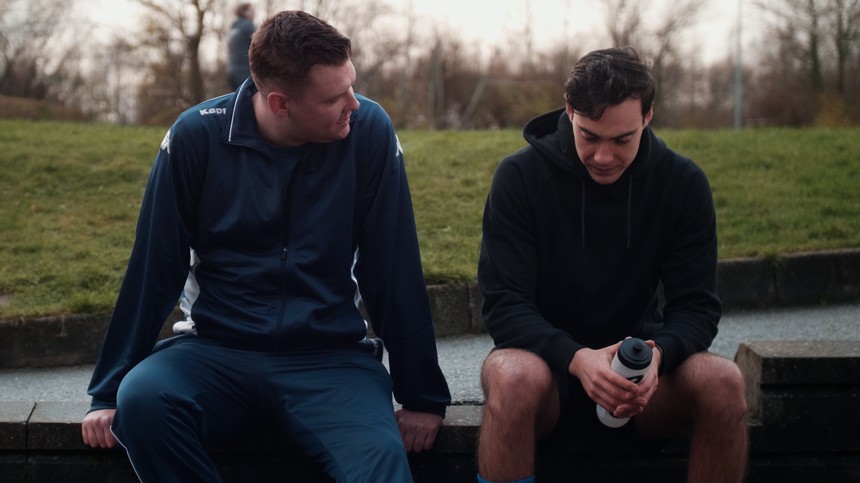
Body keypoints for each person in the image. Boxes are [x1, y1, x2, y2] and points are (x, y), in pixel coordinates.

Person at [81, 10, 451, 482]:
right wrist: (108, 391)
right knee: (142, 401)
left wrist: (421, 397)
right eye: (334, 98)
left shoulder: (369, 131)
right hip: (214, 352)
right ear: (279, 103)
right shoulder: (197, 136)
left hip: (330, 360)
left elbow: (392, 265)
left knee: (382, 465)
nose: (354, 104)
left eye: (352, 86)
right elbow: (155, 265)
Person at [476, 47, 748, 483]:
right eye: (589, 136)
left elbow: (697, 308)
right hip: (545, 372)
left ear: (647, 117)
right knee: (511, 376)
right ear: (569, 111)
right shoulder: (520, 178)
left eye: (622, 140)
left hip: (641, 383)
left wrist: (659, 356)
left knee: (724, 381)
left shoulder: (683, 184)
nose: (604, 157)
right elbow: (504, 304)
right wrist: (576, 358)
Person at [226, 3, 255, 90]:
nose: (254, 13)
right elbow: (259, 43)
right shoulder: (247, 25)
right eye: (251, 10)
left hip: (231, 71)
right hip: (244, 70)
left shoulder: (234, 28)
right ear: (244, 12)